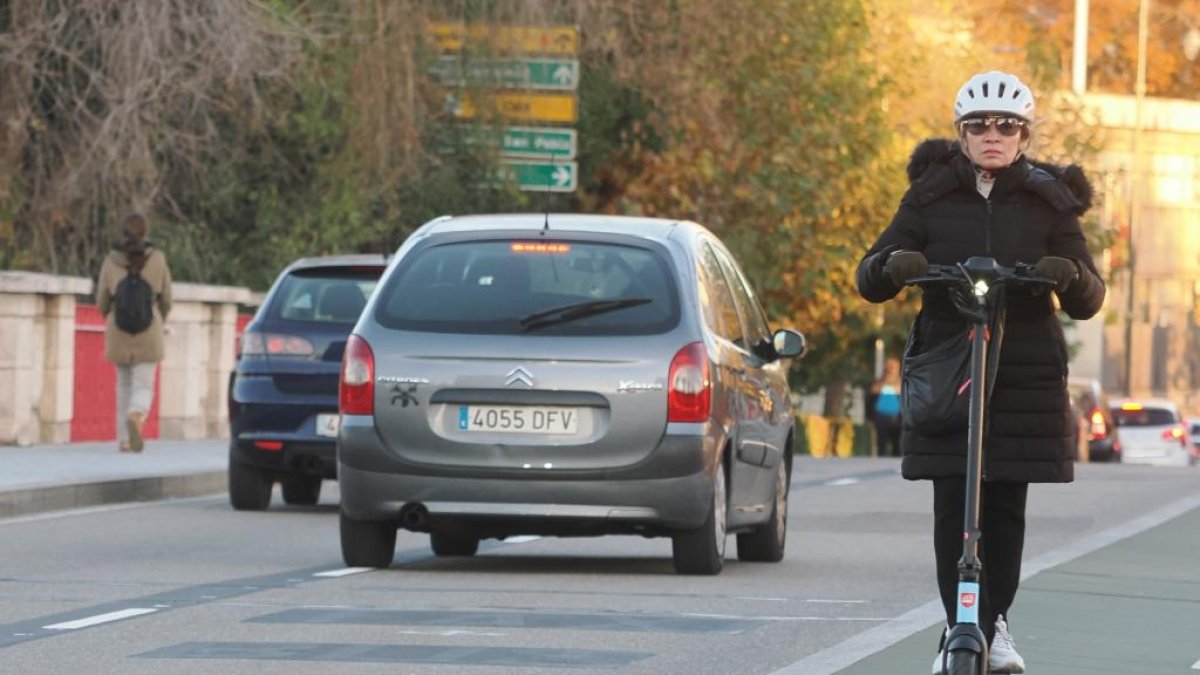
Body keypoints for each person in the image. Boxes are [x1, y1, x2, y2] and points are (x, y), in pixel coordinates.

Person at [855, 71, 1105, 674]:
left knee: (1004, 508)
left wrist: (1066, 275)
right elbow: (869, 275)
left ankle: (994, 624)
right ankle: (957, 625)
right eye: (979, 126)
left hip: (1022, 372)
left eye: (1006, 126)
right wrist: (895, 265)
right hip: (951, 369)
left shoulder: (1050, 201)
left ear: (1024, 134)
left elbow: (1090, 294)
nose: (992, 135)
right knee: (953, 504)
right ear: (960, 133)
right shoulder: (930, 196)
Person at [96, 213, 173, 453]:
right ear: (145, 232)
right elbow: (167, 298)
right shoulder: (157, 259)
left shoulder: (111, 261)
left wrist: (110, 316)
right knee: (144, 385)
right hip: (149, 331)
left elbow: (102, 301)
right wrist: (159, 318)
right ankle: (136, 414)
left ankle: (124, 438)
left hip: (119, 331)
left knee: (124, 385)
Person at [868, 356, 902, 457]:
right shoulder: (877, 384)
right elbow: (870, 402)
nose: (890, 369)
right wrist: (870, 418)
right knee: (881, 445)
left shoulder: (902, 384)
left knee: (898, 445)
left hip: (898, 419)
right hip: (881, 418)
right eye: (888, 366)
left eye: (893, 367)